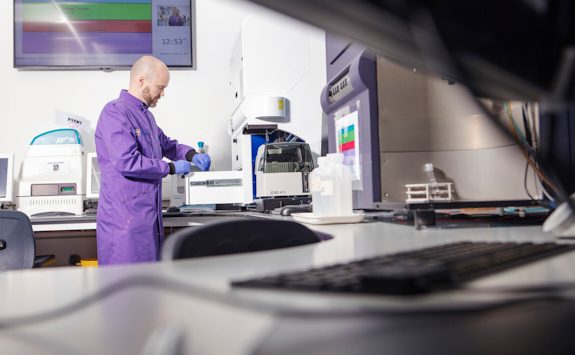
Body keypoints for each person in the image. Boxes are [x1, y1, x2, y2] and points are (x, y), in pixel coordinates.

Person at [95, 56, 211, 265]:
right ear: (141, 81)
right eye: (160, 87)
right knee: (125, 289)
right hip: (124, 223)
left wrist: (192, 154)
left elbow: (167, 145)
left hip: (148, 219)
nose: (163, 93)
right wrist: (170, 167)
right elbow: (126, 161)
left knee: (148, 289)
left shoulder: (146, 117)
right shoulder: (115, 112)